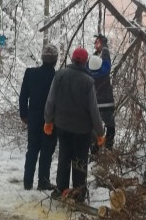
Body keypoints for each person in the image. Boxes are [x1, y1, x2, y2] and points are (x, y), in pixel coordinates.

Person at [44, 46, 106, 202]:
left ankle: (61, 190)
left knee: (64, 157)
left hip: (62, 126)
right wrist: (100, 132)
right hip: (82, 130)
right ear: (85, 63)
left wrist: (48, 121)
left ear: (72, 59)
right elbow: (94, 110)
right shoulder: (88, 81)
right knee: (80, 162)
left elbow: (50, 100)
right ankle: (78, 194)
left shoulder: (60, 75)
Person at [19, 44, 59, 190]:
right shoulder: (57, 76)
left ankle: (27, 182)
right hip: (51, 121)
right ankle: (43, 182)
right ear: (55, 60)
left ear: (42, 58)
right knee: (46, 152)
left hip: (33, 118)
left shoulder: (30, 73)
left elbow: (23, 95)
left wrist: (23, 114)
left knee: (32, 149)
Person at [89, 33, 116, 151]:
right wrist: (104, 46)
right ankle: (109, 149)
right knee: (110, 127)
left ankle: (95, 151)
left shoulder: (88, 72)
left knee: (94, 129)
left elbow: (90, 63)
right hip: (107, 104)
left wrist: (95, 55)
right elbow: (106, 60)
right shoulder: (104, 70)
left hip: (95, 105)